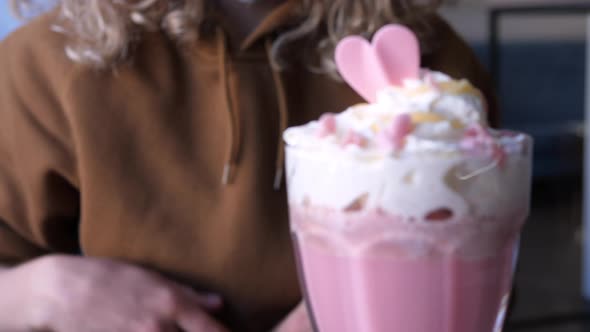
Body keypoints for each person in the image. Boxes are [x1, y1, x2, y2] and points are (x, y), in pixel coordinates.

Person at [0, 0, 496, 331]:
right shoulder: (44, 64)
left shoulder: (424, 65)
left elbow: (489, 267)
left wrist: (357, 301)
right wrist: (43, 289)